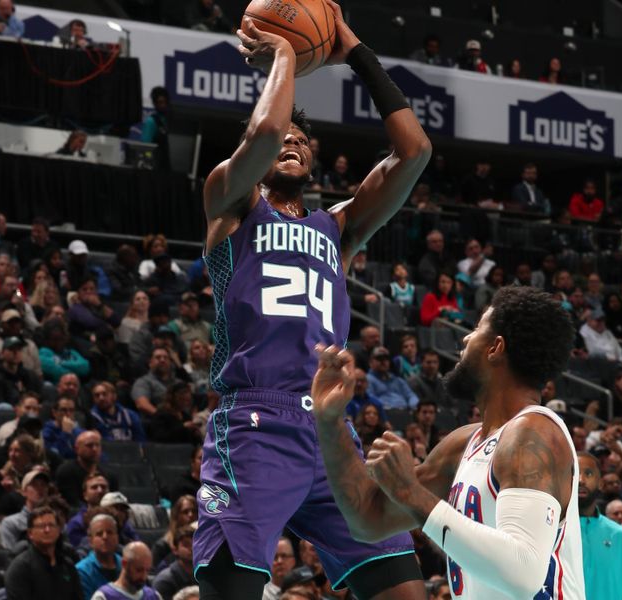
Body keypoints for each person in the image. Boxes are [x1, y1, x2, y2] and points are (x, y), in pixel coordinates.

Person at [194, 4, 432, 598]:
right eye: (284, 139)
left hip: (330, 431)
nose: (290, 143)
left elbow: (415, 151)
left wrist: (352, 48)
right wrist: (284, 54)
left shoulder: (339, 229)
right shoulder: (230, 202)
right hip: (254, 423)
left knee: (405, 590)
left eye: (303, 140)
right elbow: (266, 131)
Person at [312, 286, 585, 598]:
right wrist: (330, 421)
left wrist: (413, 495)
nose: (466, 339)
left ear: (495, 347)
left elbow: (523, 573)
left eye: (477, 329)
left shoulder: (535, 432)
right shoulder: (463, 444)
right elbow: (367, 520)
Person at [577, 452, 622, 599]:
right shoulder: (552, 529)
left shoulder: (620, 535)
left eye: (588, 473)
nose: (581, 480)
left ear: (600, 483)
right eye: (574, 473)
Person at [5, 506, 84, 600]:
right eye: (41, 526)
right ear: (30, 533)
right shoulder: (20, 568)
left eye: (51, 525)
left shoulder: (68, 565)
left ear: (59, 531)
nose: (47, 530)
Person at [0, 468, 51, 551]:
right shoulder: (11, 523)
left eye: (43, 485)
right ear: (24, 492)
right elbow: (8, 556)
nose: (40, 488)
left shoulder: (54, 522)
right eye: (34, 485)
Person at [92, 541, 161, 600]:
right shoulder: (103, 597)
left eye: (147, 570)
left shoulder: (154, 596)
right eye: (139, 570)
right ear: (124, 564)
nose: (144, 576)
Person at [76, 513, 122, 600]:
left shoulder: (126, 566)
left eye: (109, 532)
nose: (105, 537)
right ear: (91, 540)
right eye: (99, 534)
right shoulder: (81, 571)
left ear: (117, 537)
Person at [153, 522, 197, 600]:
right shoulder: (164, 581)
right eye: (186, 545)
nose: (191, 548)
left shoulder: (203, 576)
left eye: (195, 544)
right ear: (175, 550)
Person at [141, 87, 172, 172]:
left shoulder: (167, 120)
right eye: (160, 102)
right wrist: (149, 163)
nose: (163, 105)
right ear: (155, 104)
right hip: (154, 168)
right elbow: (145, 146)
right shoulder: (151, 121)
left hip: (165, 167)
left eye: (165, 102)